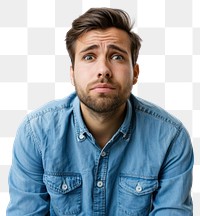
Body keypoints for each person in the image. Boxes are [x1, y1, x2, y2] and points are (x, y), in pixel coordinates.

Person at [7, 7, 193, 215]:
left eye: (116, 57)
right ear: (72, 73)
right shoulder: (35, 133)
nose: (103, 69)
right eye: (89, 57)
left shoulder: (170, 138)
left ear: (135, 73)